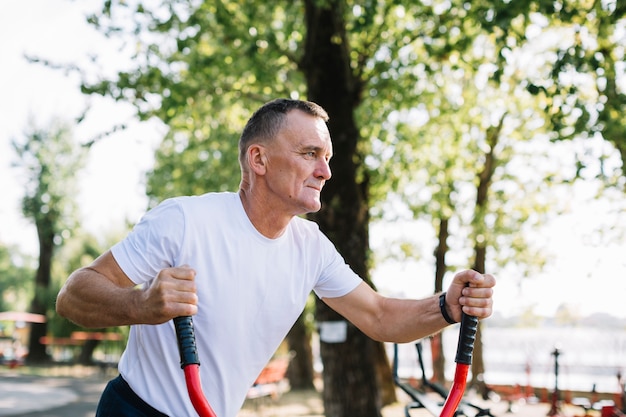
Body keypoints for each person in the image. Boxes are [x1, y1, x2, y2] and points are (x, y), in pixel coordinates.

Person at [56, 98, 495, 417]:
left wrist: (446, 307)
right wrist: (140, 305)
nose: (325, 171)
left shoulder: (311, 247)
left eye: (326, 158)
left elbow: (379, 316)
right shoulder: (185, 220)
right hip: (136, 410)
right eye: (309, 154)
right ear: (259, 159)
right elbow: (73, 295)